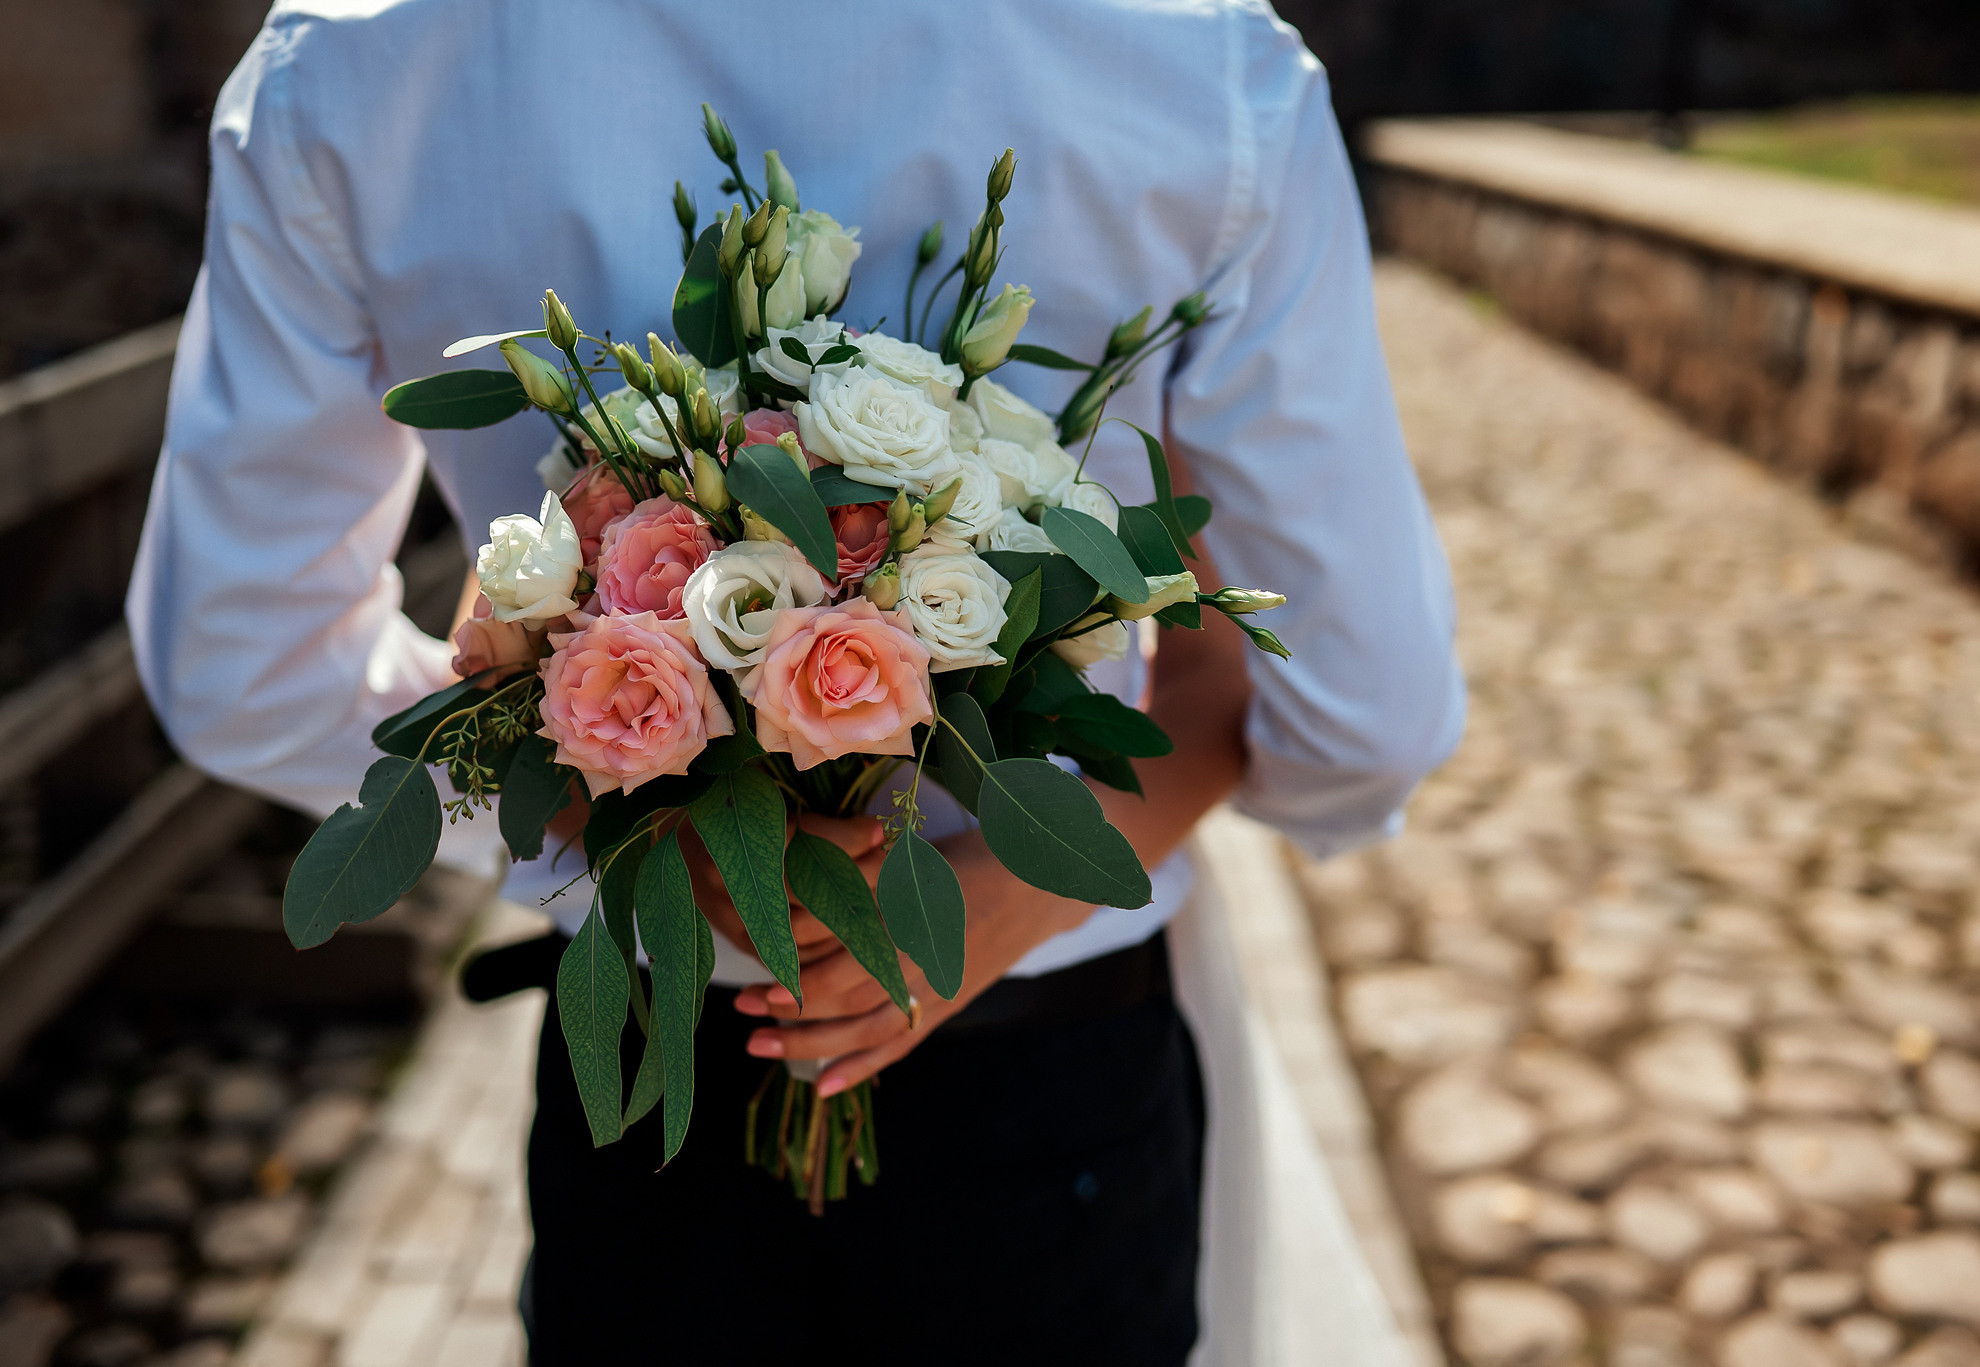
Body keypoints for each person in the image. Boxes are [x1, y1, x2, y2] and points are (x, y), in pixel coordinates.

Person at [126, 1, 1464, 1361]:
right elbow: (1368, 713)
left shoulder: (355, 64)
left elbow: (241, 667)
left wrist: (608, 804)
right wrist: (1013, 891)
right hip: (1046, 1107)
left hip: (652, 1100)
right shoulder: (1200, 66)